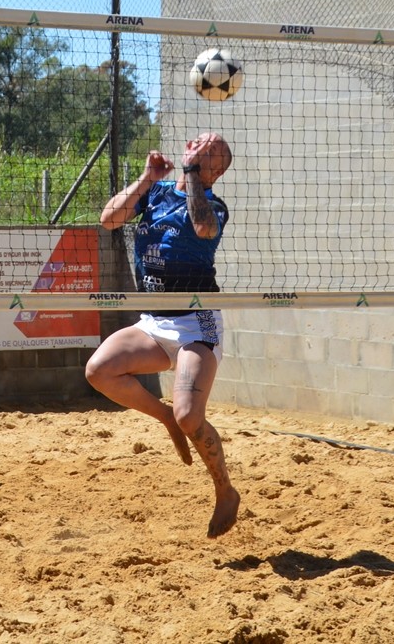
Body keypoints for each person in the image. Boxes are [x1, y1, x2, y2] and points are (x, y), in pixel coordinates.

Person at [85, 131, 241, 537]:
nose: (198, 144)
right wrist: (146, 177)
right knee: (99, 370)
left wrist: (189, 175)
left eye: (210, 149)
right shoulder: (153, 195)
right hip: (154, 322)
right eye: (198, 141)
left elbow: (202, 228)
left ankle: (224, 489)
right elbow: (108, 220)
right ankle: (166, 419)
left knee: (192, 415)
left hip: (196, 322)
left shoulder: (214, 207)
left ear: (216, 170)